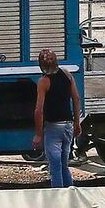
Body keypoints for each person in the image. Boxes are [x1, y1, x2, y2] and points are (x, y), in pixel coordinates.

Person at [33, 49, 82, 188]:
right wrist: (77, 123)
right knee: (64, 164)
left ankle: (59, 200)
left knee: (55, 168)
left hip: (53, 127)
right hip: (68, 125)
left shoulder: (43, 81)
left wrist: (38, 134)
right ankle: (70, 195)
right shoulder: (67, 74)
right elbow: (76, 98)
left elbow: (39, 110)